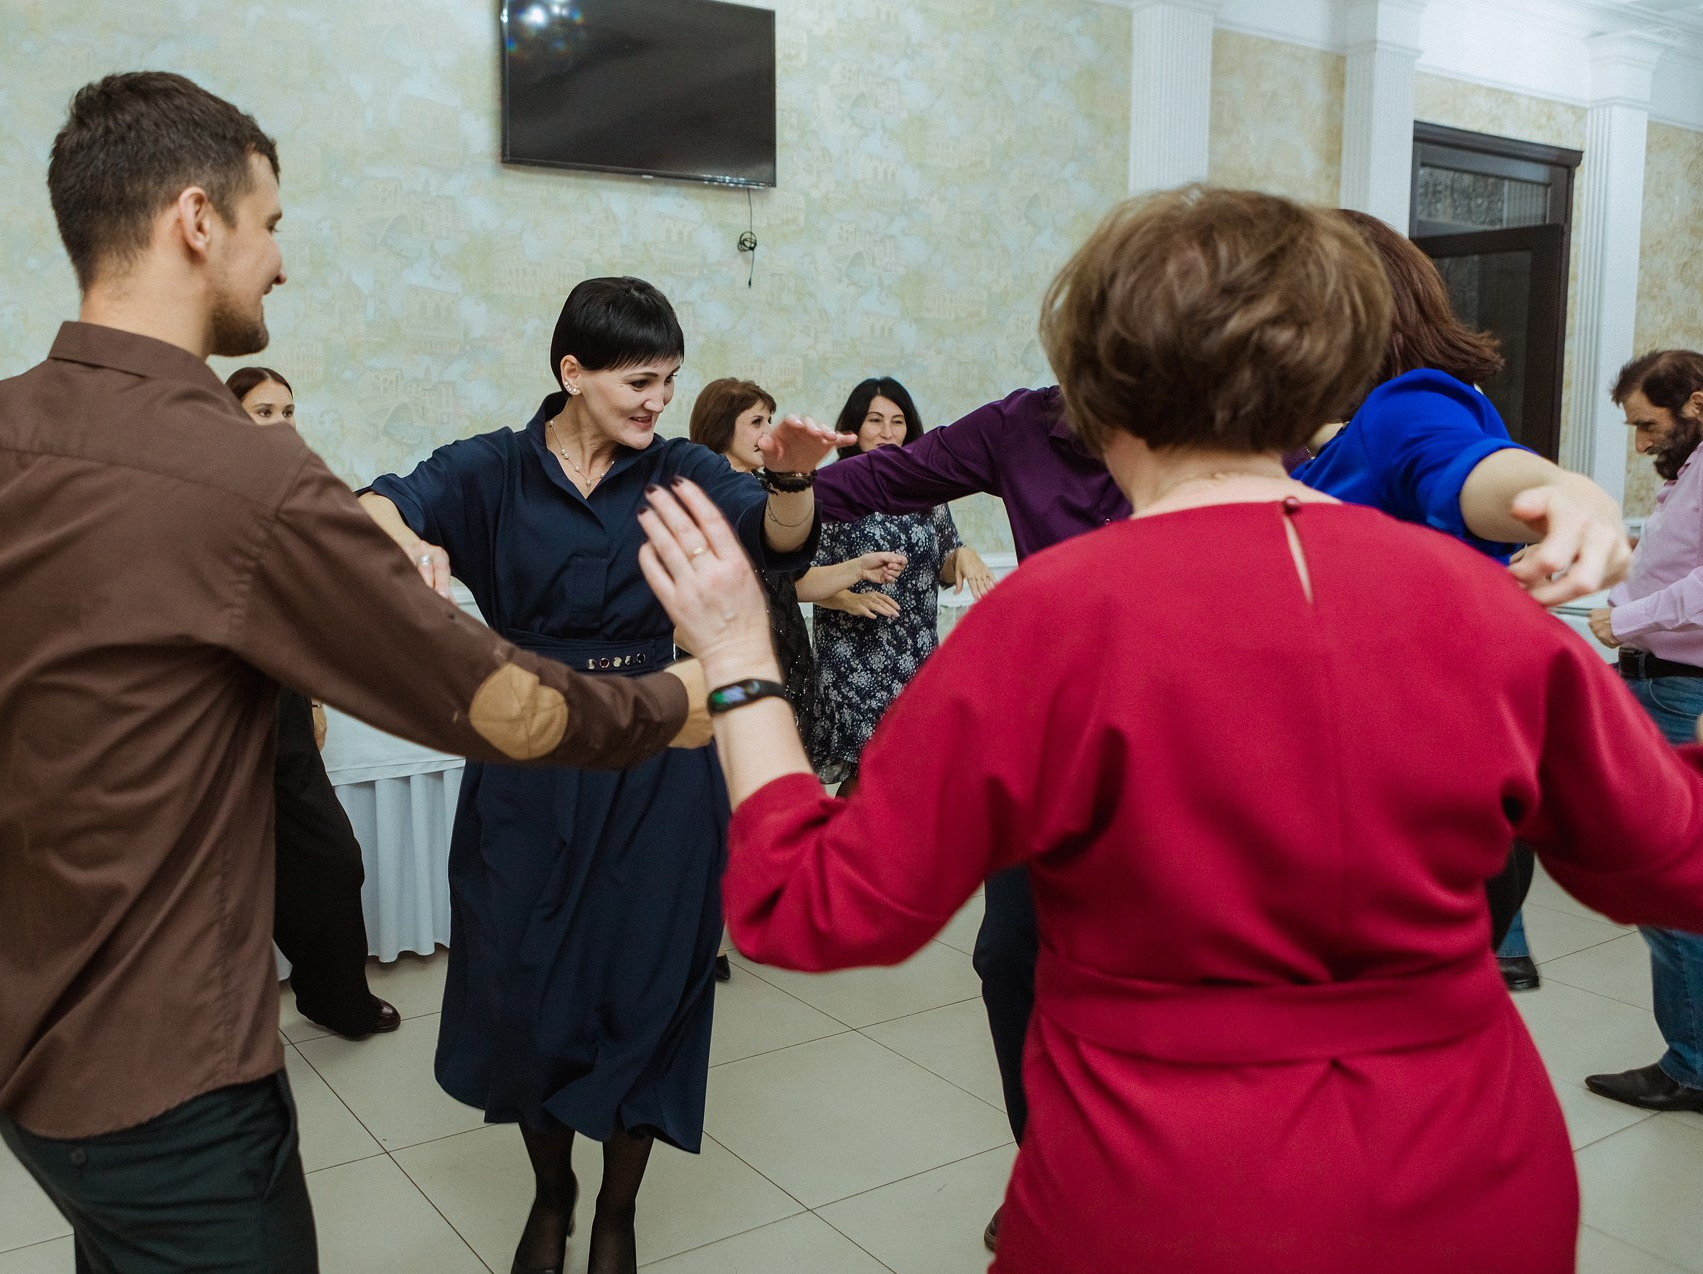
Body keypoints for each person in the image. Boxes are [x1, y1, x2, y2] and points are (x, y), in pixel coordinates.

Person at [636, 186, 1703, 1274]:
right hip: (1471, 1175)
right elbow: (1678, 859)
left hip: (1161, 1186)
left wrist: (736, 665)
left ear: (1095, 383)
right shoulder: (1481, 611)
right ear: (1324, 385)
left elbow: (810, 910)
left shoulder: (1045, 622)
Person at [0, 72, 722, 1274]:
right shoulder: (250, 479)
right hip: (171, 1078)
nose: (279, 261)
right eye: (270, 224)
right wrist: (683, 704)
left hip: (17, 1049)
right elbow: (507, 704)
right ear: (198, 221)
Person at [359, 281, 843, 1274]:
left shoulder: (682, 467)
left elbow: (775, 539)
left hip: (661, 747)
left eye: (669, 379)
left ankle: (618, 1208)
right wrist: (396, 537)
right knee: (524, 983)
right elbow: (376, 501)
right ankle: (552, 1191)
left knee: (652, 984)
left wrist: (792, 485)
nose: (657, 398)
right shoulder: (491, 468)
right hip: (530, 750)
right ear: (570, 373)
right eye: (637, 379)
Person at [806, 376, 1130, 1249]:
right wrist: (774, 491)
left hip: (1170, 743)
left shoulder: (1223, 422)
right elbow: (880, 478)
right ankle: (1046, 1159)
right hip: (1049, 745)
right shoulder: (1024, 425)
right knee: (1010, 955)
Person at [1293, 210, 1633, 992]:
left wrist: (1565, 492)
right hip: (1376, 793)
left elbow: (1473, 470)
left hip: (1415, 806)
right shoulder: (1350, 434)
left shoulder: (1411, 405)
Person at [226, 365, 399, 1041]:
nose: (282, 422)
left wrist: (316, 696)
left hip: (283, 701)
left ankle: (332, 994)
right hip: (212, 712)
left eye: (288, 409)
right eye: (264, 410)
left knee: (331, 858)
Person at [1584, 348, 1703, 1114]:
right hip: (1654, 677)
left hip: (1673, 686)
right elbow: (1664, 572)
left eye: (1648, 426)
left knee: (1665, 881)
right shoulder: (1687, 477)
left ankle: (1691, 1065)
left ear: (1696, 401)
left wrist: (1622, 620)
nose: (1641, 443)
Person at [685, 377, 905, 748]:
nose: (769, 433)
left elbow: (794, 583)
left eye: (769, 420)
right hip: (727, 673)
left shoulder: (770, 493)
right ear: (721, 427)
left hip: (788, 663)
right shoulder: (694, 500)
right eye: (757, 422)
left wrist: (858, 568)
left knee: (783, 786)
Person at [809, 378, 985, 789]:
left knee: (911, 773)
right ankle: (838, 852)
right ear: (853, 428)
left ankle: (872, 853)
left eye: (898, 421)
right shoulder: (830, 487)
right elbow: (799, 578)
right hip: (853, 656)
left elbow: (944, 560)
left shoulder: (925, 491)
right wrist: (849, 599)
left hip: (916, 652)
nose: (887, 432)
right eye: (875, 420)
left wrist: (964, 557)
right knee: (870, 776)